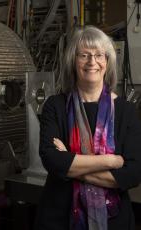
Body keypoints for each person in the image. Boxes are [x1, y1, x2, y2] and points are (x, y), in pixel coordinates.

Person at [34, 26, 141, 230]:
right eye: (84, 55)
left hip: (114, 222)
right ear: (73, 62)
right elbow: (52, 160)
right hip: (59, 219)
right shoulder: (55, 106)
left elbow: (133, 174)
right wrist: (110, 161)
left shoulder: (126, 111)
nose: (92, 62)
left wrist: (70, 164)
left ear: (107, 62)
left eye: (99, 55)